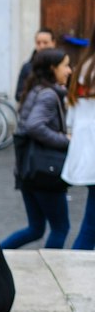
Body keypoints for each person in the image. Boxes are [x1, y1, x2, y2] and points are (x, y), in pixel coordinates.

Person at [2, 48, 72, 251]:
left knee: (35, 228)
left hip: (28, 170)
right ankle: (51, 269)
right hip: (44, 172)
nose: (69, 70)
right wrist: (65, 139)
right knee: (60, 228)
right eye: (66, 65)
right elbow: (35, 125)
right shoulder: (49, 95)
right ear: (53, 68)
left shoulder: (36, 89)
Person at [63, 27, 95, 250]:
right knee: (91, 221)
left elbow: (72, 113)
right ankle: (76, 258)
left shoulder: (84, 66)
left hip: (86, 143)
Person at [15, 28, 56, 104]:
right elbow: (18, 95)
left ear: (53, 43)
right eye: (38, 43)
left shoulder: (60, 66)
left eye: (45, 42)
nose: (42, 46)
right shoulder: (27, 67)